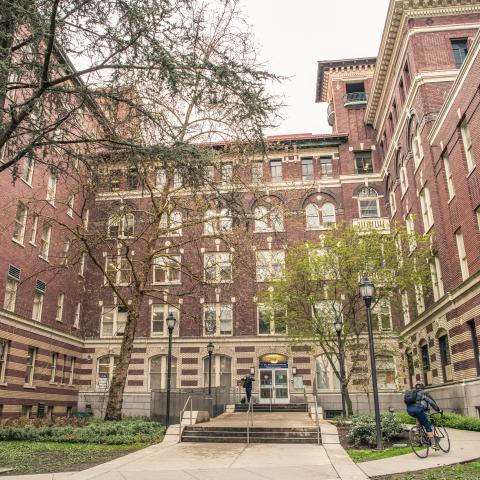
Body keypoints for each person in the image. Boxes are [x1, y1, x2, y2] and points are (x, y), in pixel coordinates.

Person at [404, 383, 442, 449]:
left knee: (419, 416)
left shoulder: (412, 393)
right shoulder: (424, 393)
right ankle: (433, 444)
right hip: (420, 410)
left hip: (410, 411)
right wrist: (438, 410)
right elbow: (432, 402)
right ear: (423, 388)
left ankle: (418, 430)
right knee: (427, 425)